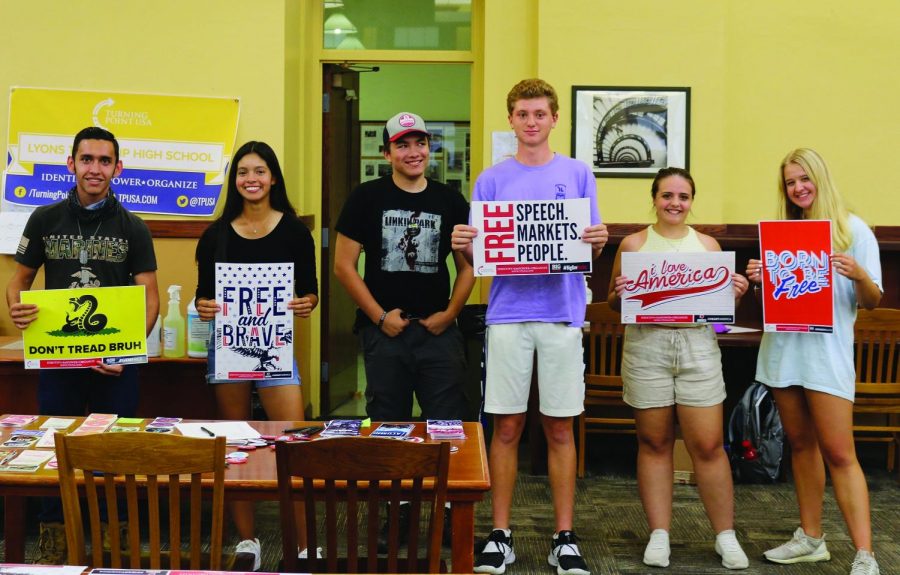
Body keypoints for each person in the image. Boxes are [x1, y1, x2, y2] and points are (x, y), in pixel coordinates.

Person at [451, 79, 608, 575]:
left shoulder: (578, 173)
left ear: (555, 118)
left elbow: (591, 248)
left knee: (561, 426)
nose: (532, 121)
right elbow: (478, 256)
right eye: (522, 114)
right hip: (507, 315)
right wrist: (461, 245)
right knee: (507, 424)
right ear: (512, 120)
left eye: (540, 113)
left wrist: (599, 240)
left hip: (562, 313)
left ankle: (564, 536)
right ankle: (501, 534)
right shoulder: (490, 180)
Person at [6, 126, 160, 564]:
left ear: (118, 168)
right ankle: (56, 537)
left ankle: (115, 541)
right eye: (87, 159)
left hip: (114, 365)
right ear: (71, 164)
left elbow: (149, 299)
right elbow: (18, 283)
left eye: (104, 160)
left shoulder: (134, 226)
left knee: (114, 451)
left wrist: (126, 351)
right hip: (58, 363)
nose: (95, 168)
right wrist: (17, 310)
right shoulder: (44, 219)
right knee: (58, 449)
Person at [746, 148, 882, 575]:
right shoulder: (784, 232)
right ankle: (811, 538)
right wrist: (760, 280)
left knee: (841, 453)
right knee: (800, 447)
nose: (798, 188)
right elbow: (778, 301)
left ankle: (865, 554)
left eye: (804, 179)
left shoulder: (852, 230)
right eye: (790, 182)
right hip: (785, 352)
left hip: (826, 357)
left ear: (820, 178)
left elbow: (873, 301)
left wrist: (859, 274)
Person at [607, 167, 750, 570]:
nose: (674, 203)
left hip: (698, 348)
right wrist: (620, 293)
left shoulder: (708, 245)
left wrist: (735, 296)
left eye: (683, 196)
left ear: (691, 201)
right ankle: (659, 534)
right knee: (654, 443)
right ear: (654, 198)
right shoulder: (634, 244)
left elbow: (720, 315)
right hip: (646, 346)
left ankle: (725, 535)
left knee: (707, 445)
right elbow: (615, 304)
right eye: (667, 195)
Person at [194, 141, 318, 570]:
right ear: (235, 180)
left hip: (276, 350)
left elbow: (310, 290)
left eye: (260, 171)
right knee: (234, 445)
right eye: (243, 171)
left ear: (273, 178)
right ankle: (248, 542)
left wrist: (308, 303)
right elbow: (202, 298)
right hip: (228, 349)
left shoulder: (296, 231)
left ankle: (304, 546)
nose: (252, 179)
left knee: (295, 444)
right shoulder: (215, 235)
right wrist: (203, 307)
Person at [334, 111, 473, 422]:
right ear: (387, 154)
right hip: (384, 333)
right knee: (387, 422)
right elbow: (343, 266)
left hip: (438, 332)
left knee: (447, 422)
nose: (413, 152)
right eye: (402, 145)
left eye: (420, 143)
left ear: (428, 148)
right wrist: (379, 317)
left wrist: (449, 315)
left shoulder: (450, 201)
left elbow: (468, 268)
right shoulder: (365, 197)